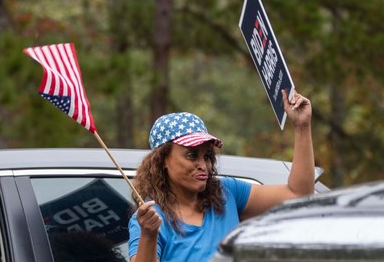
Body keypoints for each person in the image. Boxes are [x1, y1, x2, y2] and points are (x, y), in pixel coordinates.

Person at [128, 89, 315, 262]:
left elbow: (298, 194)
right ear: (162, 161)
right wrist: (149, 235)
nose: (203, 165)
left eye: (207, 156)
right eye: (191, 155)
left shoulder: (226, 193)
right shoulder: (150, 220)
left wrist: (302, 126)